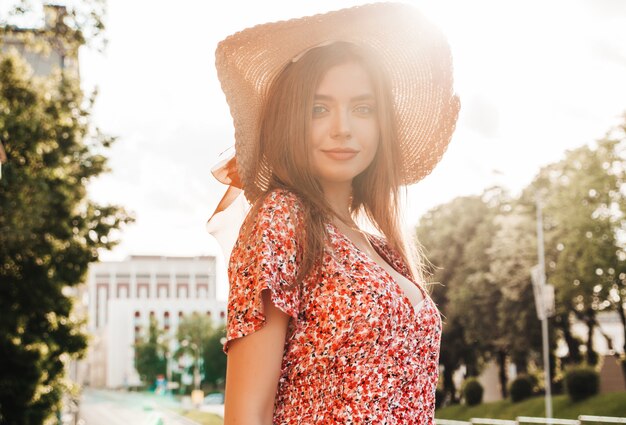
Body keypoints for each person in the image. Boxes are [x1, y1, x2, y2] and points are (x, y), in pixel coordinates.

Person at [208, 3, 460, 423]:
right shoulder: (281, 219)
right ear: (291, 119)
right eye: (319, 108)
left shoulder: (384, 250)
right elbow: (245, 416)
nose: (342, 127)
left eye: (363, 108)